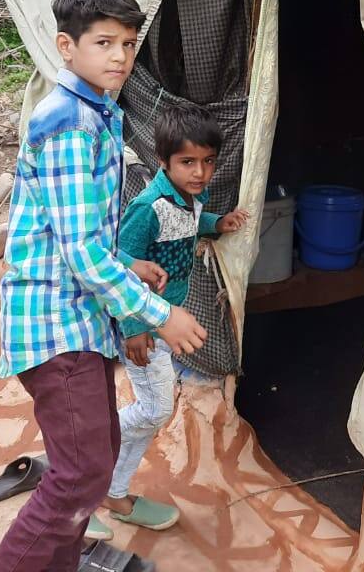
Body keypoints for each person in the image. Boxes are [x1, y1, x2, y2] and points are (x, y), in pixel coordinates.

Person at [0, 0, 207, 572]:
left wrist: (125, 260)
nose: (120, 57)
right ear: (66, 46)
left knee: (95, 454)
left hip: (81, 319)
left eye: (129, 44)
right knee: (81, 475)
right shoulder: (68, 123)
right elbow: (81, 256)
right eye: (104, 42)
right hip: (56, 325)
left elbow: (77, 235)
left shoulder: (97, 114)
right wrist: (162, 316)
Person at [96, 102, 250, 535]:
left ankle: (114, 489)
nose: (200, 172)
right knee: (155, 409)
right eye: (188, 162)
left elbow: (193, 225)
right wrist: (134, 329)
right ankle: (85, 456)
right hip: (143, 324)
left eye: (208, 162)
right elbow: (119, 268)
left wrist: (221, 223)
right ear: (163, 162)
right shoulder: (148, 207)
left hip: (165, 321)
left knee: (151, 412)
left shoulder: (190, 198)